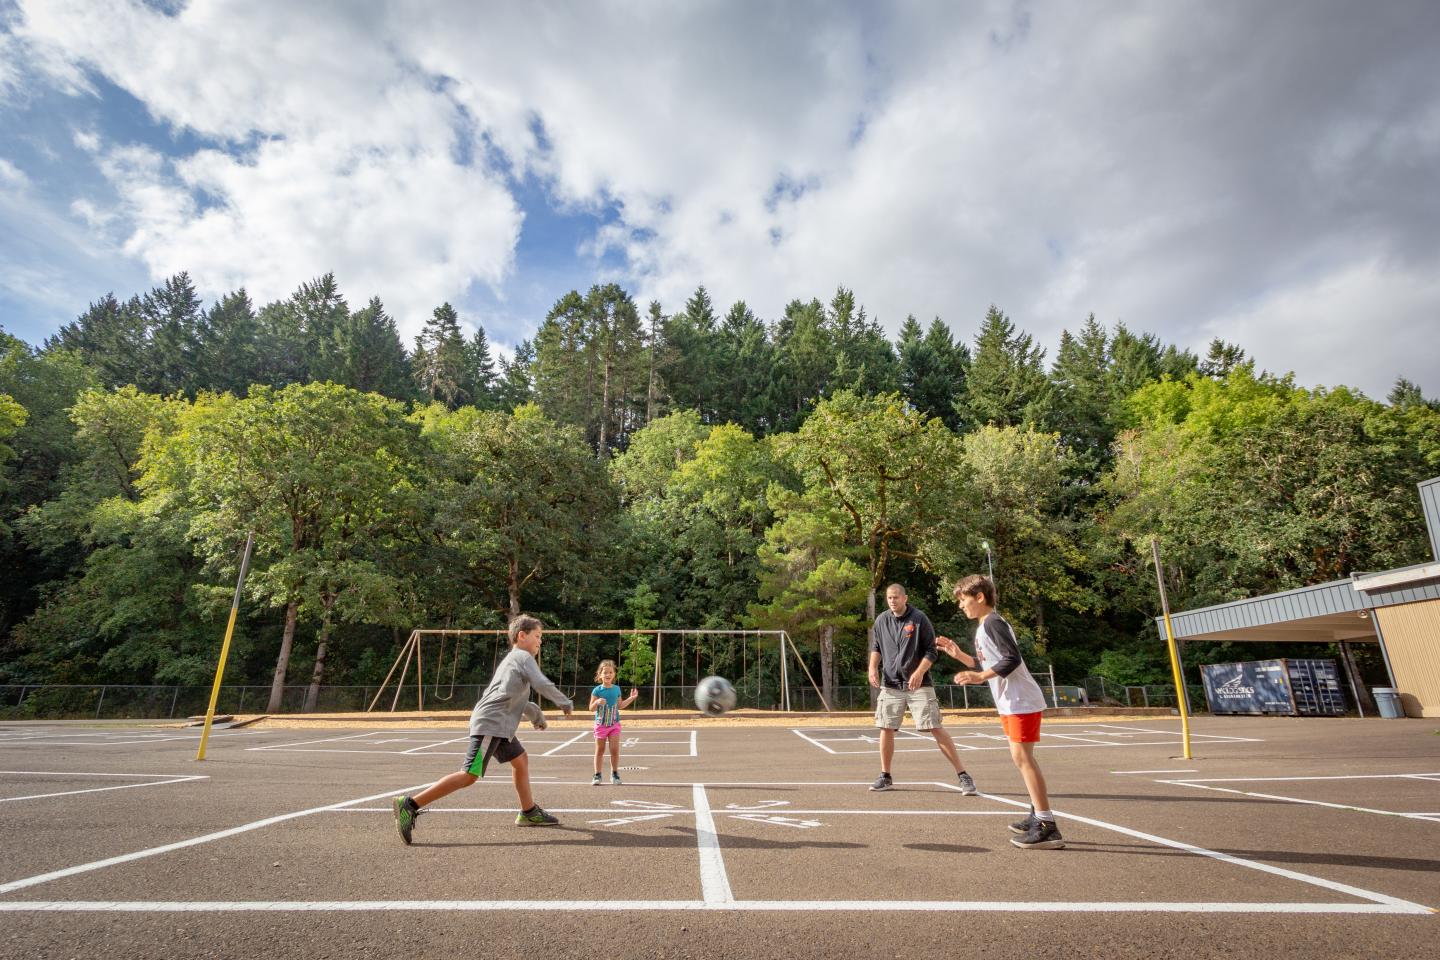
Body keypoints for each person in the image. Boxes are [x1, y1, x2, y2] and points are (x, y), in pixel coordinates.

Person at [391, 614, 573, 843]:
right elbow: (541, 683)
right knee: (469, 775)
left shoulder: (513, 660)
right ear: (522, 636)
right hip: (491, 723)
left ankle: (529, 812)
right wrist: (564, 702)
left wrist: (536, 715)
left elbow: (512, 698)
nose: (540, 641)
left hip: (500, 726)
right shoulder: (522, 656)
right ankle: (410, 805)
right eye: (537, 636)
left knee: (521, 760)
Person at [936, 574, 1064, 850]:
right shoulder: (984, 627)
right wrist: (959, 655)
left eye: (963, 600)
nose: (961, 606)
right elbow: (986, 663)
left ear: (980, 597)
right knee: (1021, 759)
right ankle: (1037, 814)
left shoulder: (993, 622)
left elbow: (1011, 658)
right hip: (1009, 702)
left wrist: (979, 677)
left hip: (1021, 701)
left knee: (1023, 759)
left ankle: (1046, 825)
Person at [867, 582, 978, 795]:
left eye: (896, 597)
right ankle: (885, 775)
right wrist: (872, 668)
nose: (893, 601)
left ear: (905, 598)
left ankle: (963, 775)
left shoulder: (919, 619)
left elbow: (932, 651)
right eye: (889, 598)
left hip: (919, 685)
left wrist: (918, 673)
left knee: (935, 727)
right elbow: (876, 648)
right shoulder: (881, 620)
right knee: (886, 728)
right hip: (890, 684)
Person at [589, 659, 639, 786]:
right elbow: (591, 708)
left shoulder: (617, 689)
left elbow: (620, 705)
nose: (608, 675)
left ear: (614, 674)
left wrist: (631, 698)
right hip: (600, 724)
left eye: (610, 672)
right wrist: (597, 702)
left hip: (614, 724)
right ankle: (597, 775)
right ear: (600, 674)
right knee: (600, 750)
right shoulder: (597, 690)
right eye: (605, 672)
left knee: (614, 750)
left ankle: (615, 774)